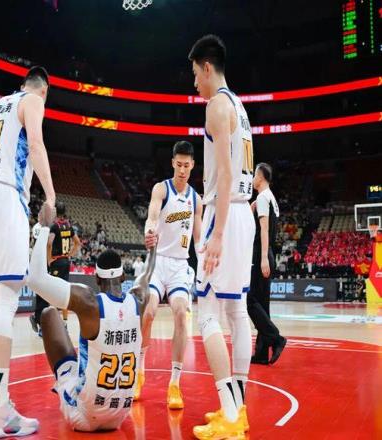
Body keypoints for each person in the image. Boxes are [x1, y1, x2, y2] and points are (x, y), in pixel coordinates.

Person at [0, 66, 56, 438]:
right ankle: (0, 411)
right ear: (43, 91)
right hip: (6, 199)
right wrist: (50, 196)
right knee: (6, 301)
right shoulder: (33, 101)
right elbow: (35, 145)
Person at [26, 213, 157, 432]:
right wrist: (153, 249)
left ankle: (65, 385)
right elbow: (147, 274)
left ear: (96, 279)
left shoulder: (90, 302)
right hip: (120, 415)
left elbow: (35, 279)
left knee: (48, 314)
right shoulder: (139, 300)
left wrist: (44, 228)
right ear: (123, 277)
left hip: (86, 414)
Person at [189, 34, 256, 439]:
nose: (195, 82)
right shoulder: (240, 107)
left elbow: (226, 175)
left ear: (207, 67)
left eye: (195, 74)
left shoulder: (216, 105)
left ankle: (230, 415)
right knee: (237, 312)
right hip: (242, 213)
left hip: (225, 212)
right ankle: (238, 408)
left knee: (208, 314)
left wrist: (215, 234)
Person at [136, 140, 202, 410]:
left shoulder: (196, 199)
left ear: (193, 165)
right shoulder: (161, 188)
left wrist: (207, 257)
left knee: (181, 314)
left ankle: (174, 383)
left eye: (187, 165)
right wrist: (149, 231)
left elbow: (198, 238)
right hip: (157, 261)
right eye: (179, 164)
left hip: (179, 266)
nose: (183, 170)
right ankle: (139, 370)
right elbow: (152, 216)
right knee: (149, 312)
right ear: (173, 162)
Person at [248, 163, 286, 365]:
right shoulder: (270, 198)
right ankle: (262, 353)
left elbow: (264, 230)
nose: (252, 178)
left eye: (254, 175)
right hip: (267, 252)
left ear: (261, 177)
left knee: (250, 301)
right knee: (262, 304)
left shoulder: (263, 197)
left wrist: (262, 258)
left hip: (261, 253)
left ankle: (276, 338)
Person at [29, 201, 81, 335]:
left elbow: (49, 243)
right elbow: (78, 243)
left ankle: (48, 325)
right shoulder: (69, 226)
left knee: (51, 293)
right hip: (66, 262)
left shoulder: (54, 226)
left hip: (56, 262)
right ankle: (65, 324)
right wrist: (70, 254)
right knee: (65, 292)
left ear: (56, 211)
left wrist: (49, 258)